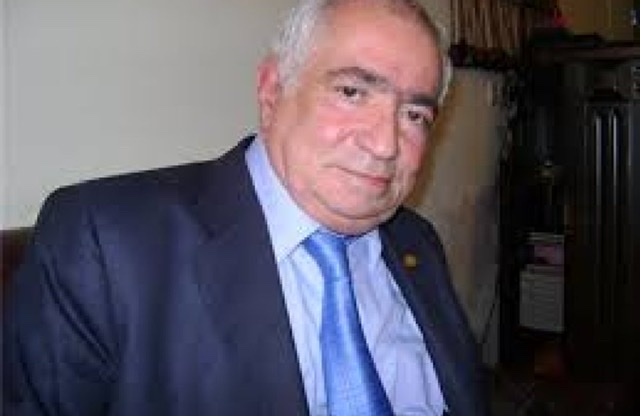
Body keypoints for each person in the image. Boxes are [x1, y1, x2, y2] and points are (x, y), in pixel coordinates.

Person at [3, 0, 488, 415]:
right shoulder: (105, 245)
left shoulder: (416, 241)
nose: (385, 144)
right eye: (352, 92)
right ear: (272, 90)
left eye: (415, 114)